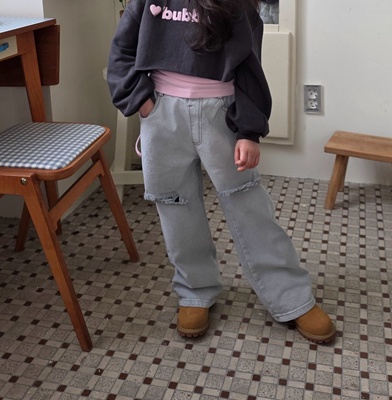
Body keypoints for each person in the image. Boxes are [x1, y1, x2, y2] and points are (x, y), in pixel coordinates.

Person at [107, 0, 336, 344]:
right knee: (175, 206)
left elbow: (250, 68)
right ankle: (194, 290)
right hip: (162, 116)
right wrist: (142, 102)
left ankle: (291, 296)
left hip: (221, 114)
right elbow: (121, 51)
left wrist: (248, 131)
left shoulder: (237, 7)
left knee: (249, 206)